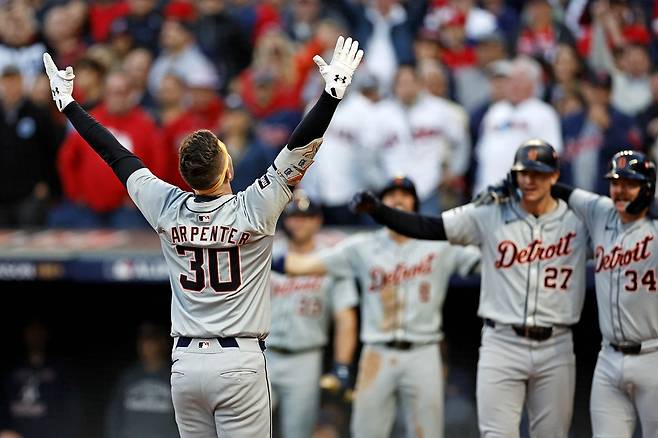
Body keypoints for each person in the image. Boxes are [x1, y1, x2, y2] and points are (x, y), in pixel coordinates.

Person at [42, 35, 363, 438]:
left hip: (186, 364)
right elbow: (299, 146)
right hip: (239, 360)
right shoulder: (253, 208)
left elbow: (116, 155)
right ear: (227, 170)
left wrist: (69, 105)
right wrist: (330, 96)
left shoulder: (166, 204)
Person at [351, 140, 590, 438]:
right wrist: (379, 212)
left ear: (555, 176)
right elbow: (430, 227)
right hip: (502, 340)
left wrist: (569, 193)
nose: (529, 180)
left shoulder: (578, 220)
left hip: (557, 342)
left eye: (538, 173)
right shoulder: (490, 213)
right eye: (522, 173)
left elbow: (623, 221)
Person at [276, 176, 481, 438]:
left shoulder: (439, 244)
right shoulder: (361, 246)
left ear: (415, 204)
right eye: (390, 194)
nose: (398, 199)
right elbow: (301, 265)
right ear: (380, 204)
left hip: (424, 351)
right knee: (366, 432)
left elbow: (487, 262)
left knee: (427, 433)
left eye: (405, 194)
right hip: (376, 352)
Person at [550, 150, 658, 437]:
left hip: (653, 354)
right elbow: (560, 190)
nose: (620, 191)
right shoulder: (600, 211)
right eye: (615, 182)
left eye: (629, 184)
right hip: (608, 358)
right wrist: (512, 185)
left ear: (647, 188)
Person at [268, 191, 358, 438]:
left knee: (298, 432)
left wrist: (342, 364)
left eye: (307, 217)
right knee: (246, 429)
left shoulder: (332, 258)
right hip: (264, 353)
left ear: (318, 220)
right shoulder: (269, 250)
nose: (299, 222)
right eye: (294, 217)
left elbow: (345, 316)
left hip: (305, 357)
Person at [104, 323, 178, 438]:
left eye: (151, 340)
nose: (146, 345)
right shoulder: (128, 377)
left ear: (162, 343)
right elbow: (115, 414)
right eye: (142, 340)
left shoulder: (175, 377)